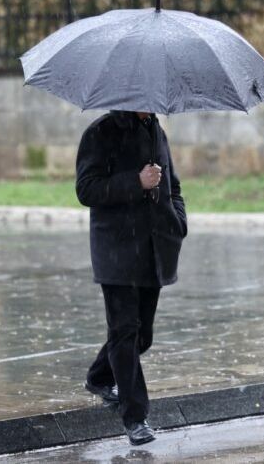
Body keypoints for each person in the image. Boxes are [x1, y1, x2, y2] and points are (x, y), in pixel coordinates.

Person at [75, 109, 187, 445]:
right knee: (124, 333)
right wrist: (135, 182)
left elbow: (173, 184)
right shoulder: (101, 132)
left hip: (154, 250)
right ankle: (135, 417)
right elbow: (86, 189)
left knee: (142, 337)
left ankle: (98, 376)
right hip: (117, 250)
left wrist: (179, 220)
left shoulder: (156, 130)